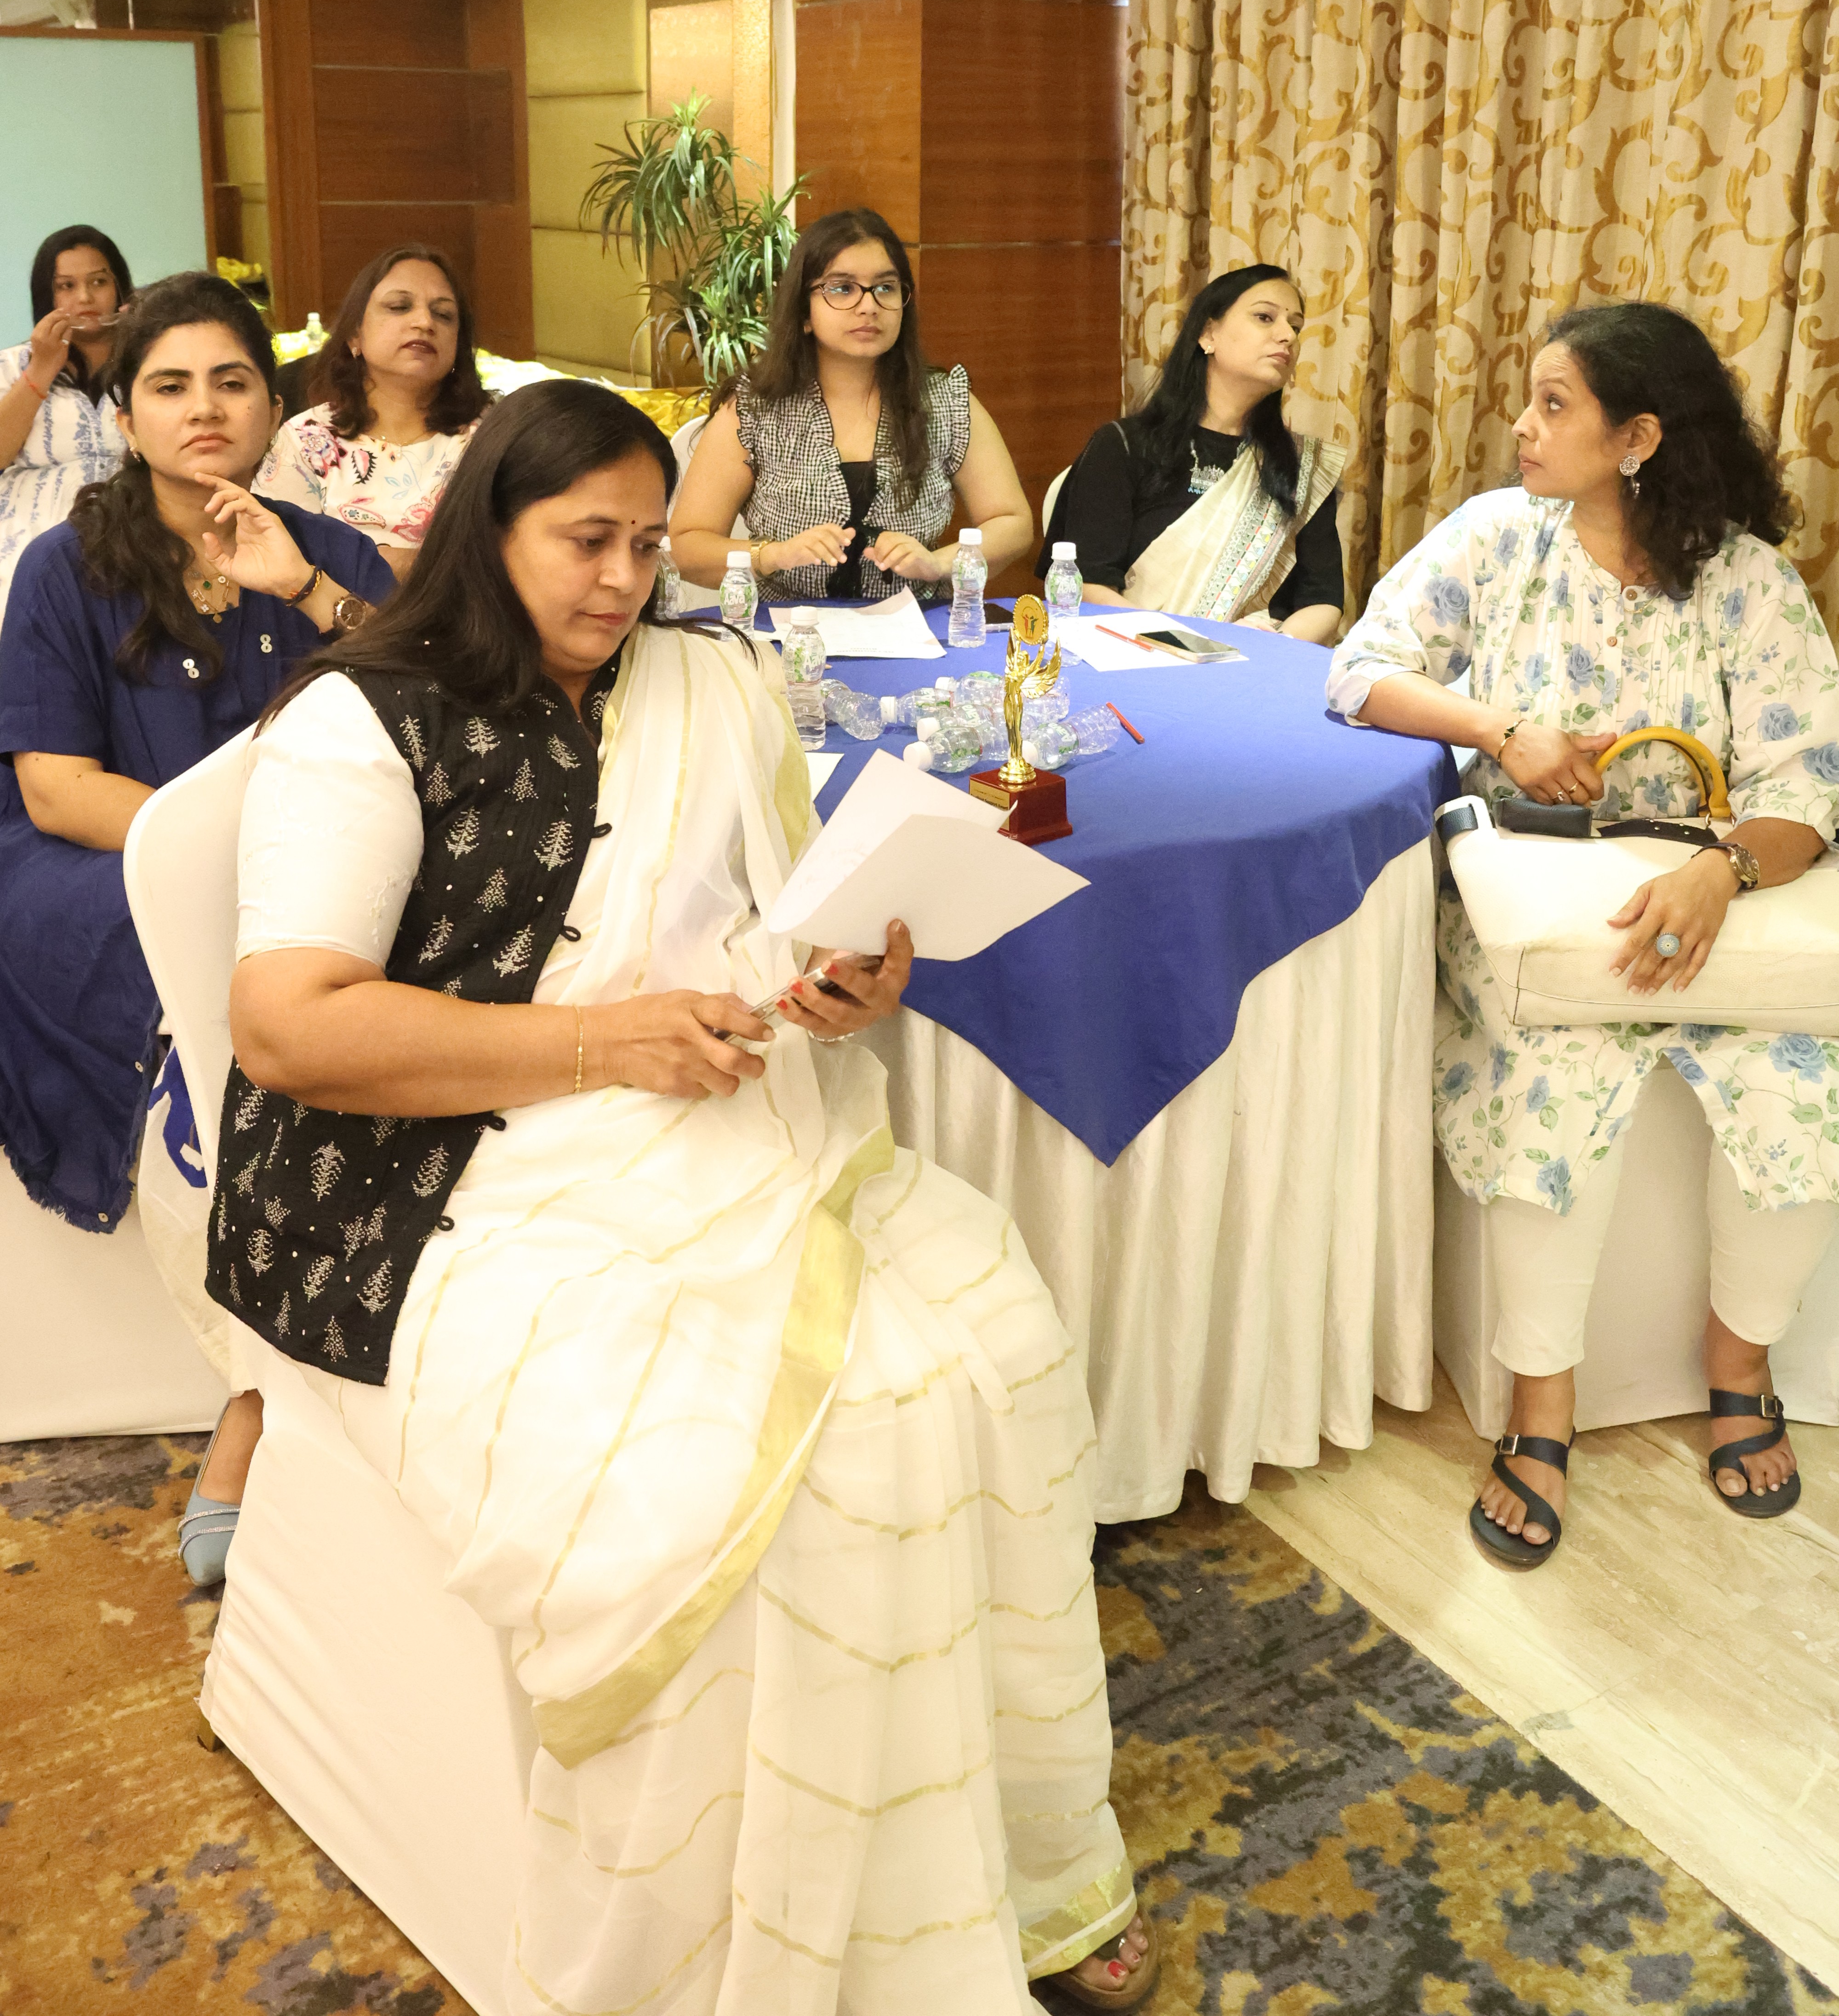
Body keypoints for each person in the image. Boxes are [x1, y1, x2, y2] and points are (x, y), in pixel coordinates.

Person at [209, 379, 1158, 2013]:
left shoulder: (706, 685)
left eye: (650, 543)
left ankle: (996, 1863)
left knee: (986, 1342)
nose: (622, 579)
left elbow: (766, 920)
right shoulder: (361, 719)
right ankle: (739, 1942)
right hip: (433, 1184)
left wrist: (843, 975)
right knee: (772, 1463)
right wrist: (597, 1041)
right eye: (584, 540)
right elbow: (288, 1025)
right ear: (483, 529)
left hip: (711, 1116)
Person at [1328, 301, 1839, 1565]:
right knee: (1555, 1077)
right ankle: (1540, 1409)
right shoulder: (1499, 543)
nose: (1523, 428)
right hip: (1539, 910)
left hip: (1719, 908)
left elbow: (1811, 785)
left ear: (1640, 438)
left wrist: (1718, 872)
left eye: (1556, 406)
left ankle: (1741, 1368)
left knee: (1798, 1086)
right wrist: (1502, 733)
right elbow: (1356, 671)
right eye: (1531, 400)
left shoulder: (1749, 584)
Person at [0, 269, 395, 1245]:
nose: (205, 408)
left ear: (273, 404)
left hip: (321, 849)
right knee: (157, 929)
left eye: (231, 381)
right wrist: (234, 856)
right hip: (113, 852)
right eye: (170, 387)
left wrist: (302, 589)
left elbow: (423, 709)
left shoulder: (329, 554)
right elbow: (57, 790)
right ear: (127, 421)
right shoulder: (64, 567)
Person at [669, 206, 1034, 603]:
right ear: (804, 312)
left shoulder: (945, 402)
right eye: (842, 288)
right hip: (789, 631)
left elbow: (1012, 524)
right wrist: (773, 554)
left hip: (917, 627)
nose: (868, 306)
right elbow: (687, 548)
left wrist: (940, 563)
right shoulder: (756, 409)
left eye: (885, 288)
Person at [1046, 265, 1344, 640]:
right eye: (1264, 317)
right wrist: (1178, 648)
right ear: (1208, 334)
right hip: (1135, 654)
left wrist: (1266, 659)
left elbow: (1322, 599)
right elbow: (1088, 584)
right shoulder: (1123, 445)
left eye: (1296, 327)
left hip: (1256, 664)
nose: (1287, 336)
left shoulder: (1301, 467)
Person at [255, 242, 488, 577]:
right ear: (354, 336)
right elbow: (280, 564)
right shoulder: (307, 441)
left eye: (444, 314)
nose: (424, 322)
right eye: (399, 307)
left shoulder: (492, 436)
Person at [0, 225, 136, 623]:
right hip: (24, 540)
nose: (85, 298)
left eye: (99, 282)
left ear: (120, 289)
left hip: (133, 532)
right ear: (47, 297)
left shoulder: (151, 363)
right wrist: (41, 369)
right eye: (66, 286)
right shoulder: (11, 366)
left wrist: (143, 341)